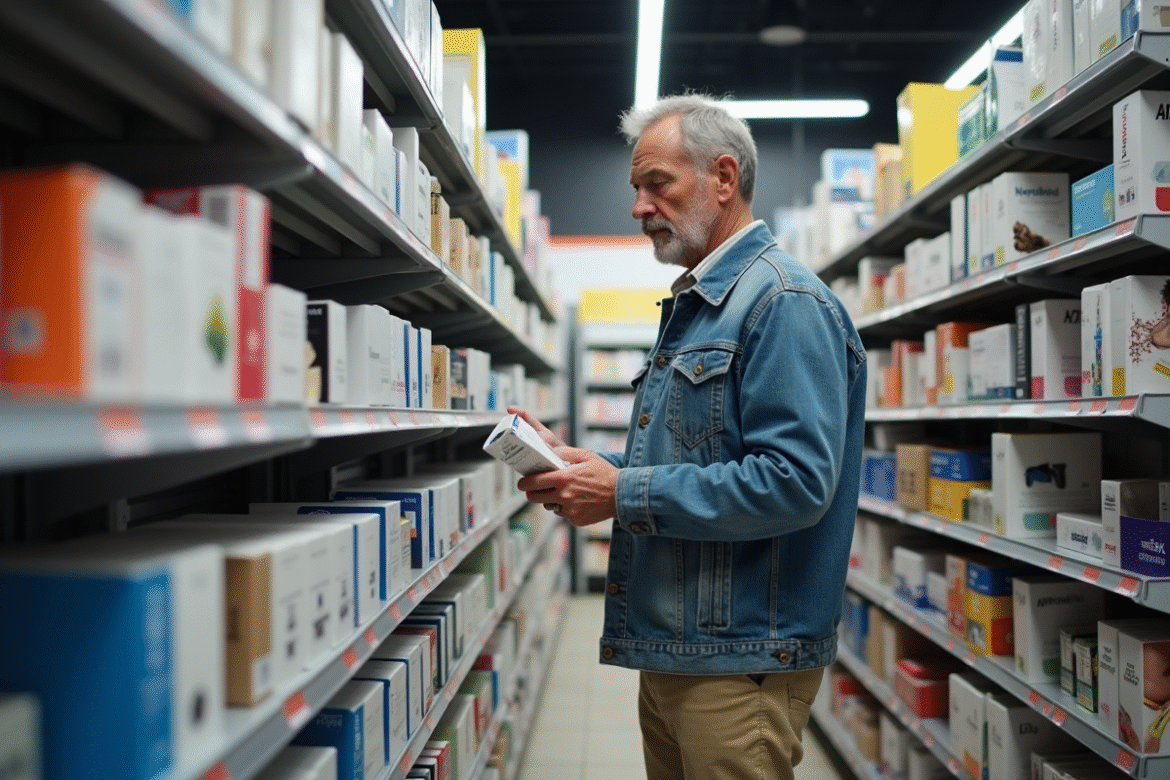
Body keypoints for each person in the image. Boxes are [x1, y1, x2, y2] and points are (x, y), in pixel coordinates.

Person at [509, 93, 867, 780]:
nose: (638, 207)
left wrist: (623, 493)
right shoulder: (701, 305)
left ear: (723, 178)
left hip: (741, 664)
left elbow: (794, 482)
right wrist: (595, 468)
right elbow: (700, 453)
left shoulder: (781, 303)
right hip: (685, 649)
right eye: (636, 188)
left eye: (657, 184)